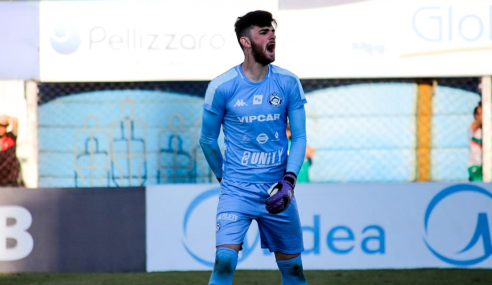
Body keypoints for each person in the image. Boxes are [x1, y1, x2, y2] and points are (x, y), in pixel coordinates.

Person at [199, 10, 308, 285]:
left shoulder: (287, 82)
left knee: (294, 271)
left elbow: (300, 137)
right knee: (224, 262)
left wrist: (289, 180)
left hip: (278, 189)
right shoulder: (222, 86)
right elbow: (207, 140)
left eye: (272, 31)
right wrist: (225, 179)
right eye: (264, 31)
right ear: (246, 42)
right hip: (236, 191)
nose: (272, 35)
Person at [0, 114, 21, 187]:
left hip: (9, 180)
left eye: (3, 126)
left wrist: (8, 118)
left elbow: (15, 123)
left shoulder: (10, 138)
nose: (1, 129)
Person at [468, 102, 483, 181]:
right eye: (480, 114)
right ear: (476, 115)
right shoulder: (473, 127)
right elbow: (478, 122)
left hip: (487, 165)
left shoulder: (488, 129)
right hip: (475, 165)